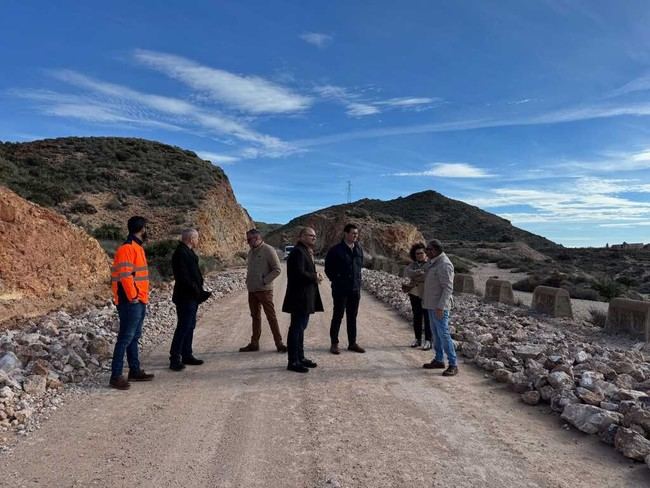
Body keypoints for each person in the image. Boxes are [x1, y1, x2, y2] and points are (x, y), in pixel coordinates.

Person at [109, 216, 155, 390]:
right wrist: (133, 296)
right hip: (131, 302)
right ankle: (115, 376)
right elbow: (125, 275)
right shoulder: (127, 248)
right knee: (125, 338)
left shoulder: (136, 247)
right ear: (142, 228)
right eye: (146, 228)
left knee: (134, 337)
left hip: (138, 300)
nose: (147, 231)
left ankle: (134, 371)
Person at [169, 228, 212, 371]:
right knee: (183, 326)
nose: (198, 241)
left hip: (191, 296)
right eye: (197, 238)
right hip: (185, 297)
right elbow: (183, 277)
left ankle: (187, 354)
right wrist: (195, 289)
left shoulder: (187, 252)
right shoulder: (181, 253)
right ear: (191, 239)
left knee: (190, 325)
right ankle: (175, 358)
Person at [282, 227, 324, 373]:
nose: (313, 238)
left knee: (300, 329)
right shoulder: (298, 252)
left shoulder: (304, 251)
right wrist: (315, 277)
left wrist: (314, 275)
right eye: (310, 235)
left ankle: (300, 357)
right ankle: (293, 361)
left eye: (315, 235)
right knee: (296, 329)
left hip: (304, 297)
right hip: (299, 297)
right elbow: (298, 274)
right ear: (301, 237)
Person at [239, 229, 287, 353]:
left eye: (249, 239)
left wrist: (264, 281)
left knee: (271, 317)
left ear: (256, 238)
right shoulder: (251, 252)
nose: (247, 242)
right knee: (255, 317)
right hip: (252, 290)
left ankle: (279, 343)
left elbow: (277, 269)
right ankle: (254, 343)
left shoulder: (268, 250)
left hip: (265, 290)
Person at [325, 223, 365, 354]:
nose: (355, 236)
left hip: (355, 289)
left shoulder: (358, 249)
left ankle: (352, 343)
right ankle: (334, 343)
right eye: (353, 233)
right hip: (340, 290)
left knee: (352, 317)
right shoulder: (335, 250)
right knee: (338, 316)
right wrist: (337, 280)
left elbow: (359, 267)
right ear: (346, 234)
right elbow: (328, 269)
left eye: (356, 234)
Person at [422, 239, 458, 376]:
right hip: (432, 304)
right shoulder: (434, 263)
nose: (426, 252)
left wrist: (441, 307)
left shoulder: (445, 264)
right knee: (436, 334)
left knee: (443, 334)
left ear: (435, 250)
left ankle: (453, 364)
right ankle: (438, 359)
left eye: (428, 249)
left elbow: (448, 288)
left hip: (439, 306)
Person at [404, 242, 432, 350]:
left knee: (427, 318)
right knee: (417, 316)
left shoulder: (430, 264)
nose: (419, 255)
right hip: (414, 293)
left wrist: (416, 275)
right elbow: (407, 273)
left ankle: (429, 340)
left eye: (421, 253)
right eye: (417, 254)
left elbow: (426, 276)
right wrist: (418, 273)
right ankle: (417, 339)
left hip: (426, 293)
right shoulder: (412, 265)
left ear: (425, 253)